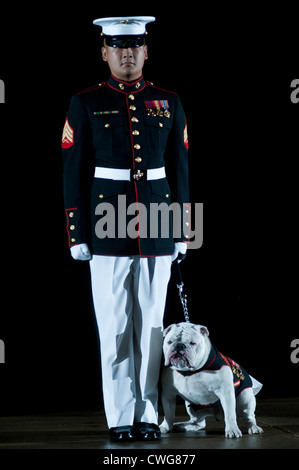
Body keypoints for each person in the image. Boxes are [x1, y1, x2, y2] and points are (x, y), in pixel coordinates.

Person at [62, 16, 190, 441]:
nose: (127, 53)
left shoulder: (168, 101)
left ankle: (149, 415)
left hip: (156, 223)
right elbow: (73, 170)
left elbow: (180, 170)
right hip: (106, 227)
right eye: (118, 46)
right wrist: (77, 233)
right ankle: (120, 417)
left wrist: (182, 228)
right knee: (115, 327)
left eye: (135, 45)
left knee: (152, 326)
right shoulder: (84, 102)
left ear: (147, 51)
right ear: (105, 52)